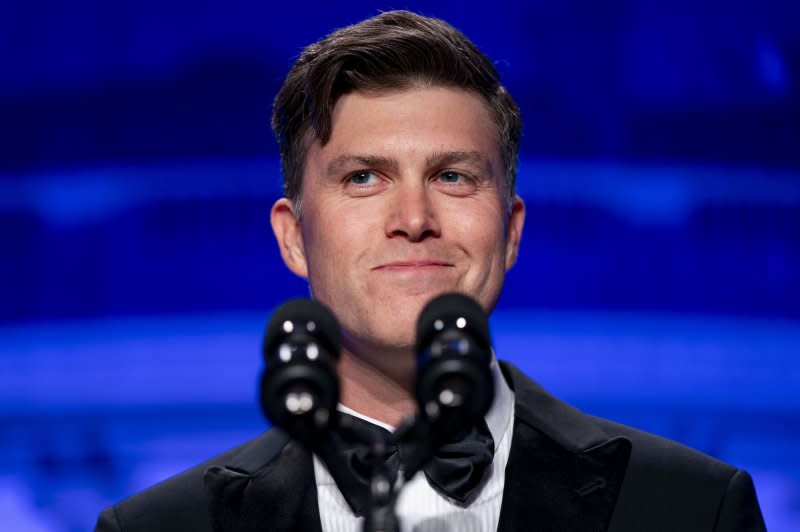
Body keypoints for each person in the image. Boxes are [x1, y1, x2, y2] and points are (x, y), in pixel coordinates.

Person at [95, 10, 765, 532]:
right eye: (363, 178)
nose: (414, 216)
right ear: (294, 237)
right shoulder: (160, 527)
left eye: (452, 176)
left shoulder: (690, 510)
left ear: (511, 232)